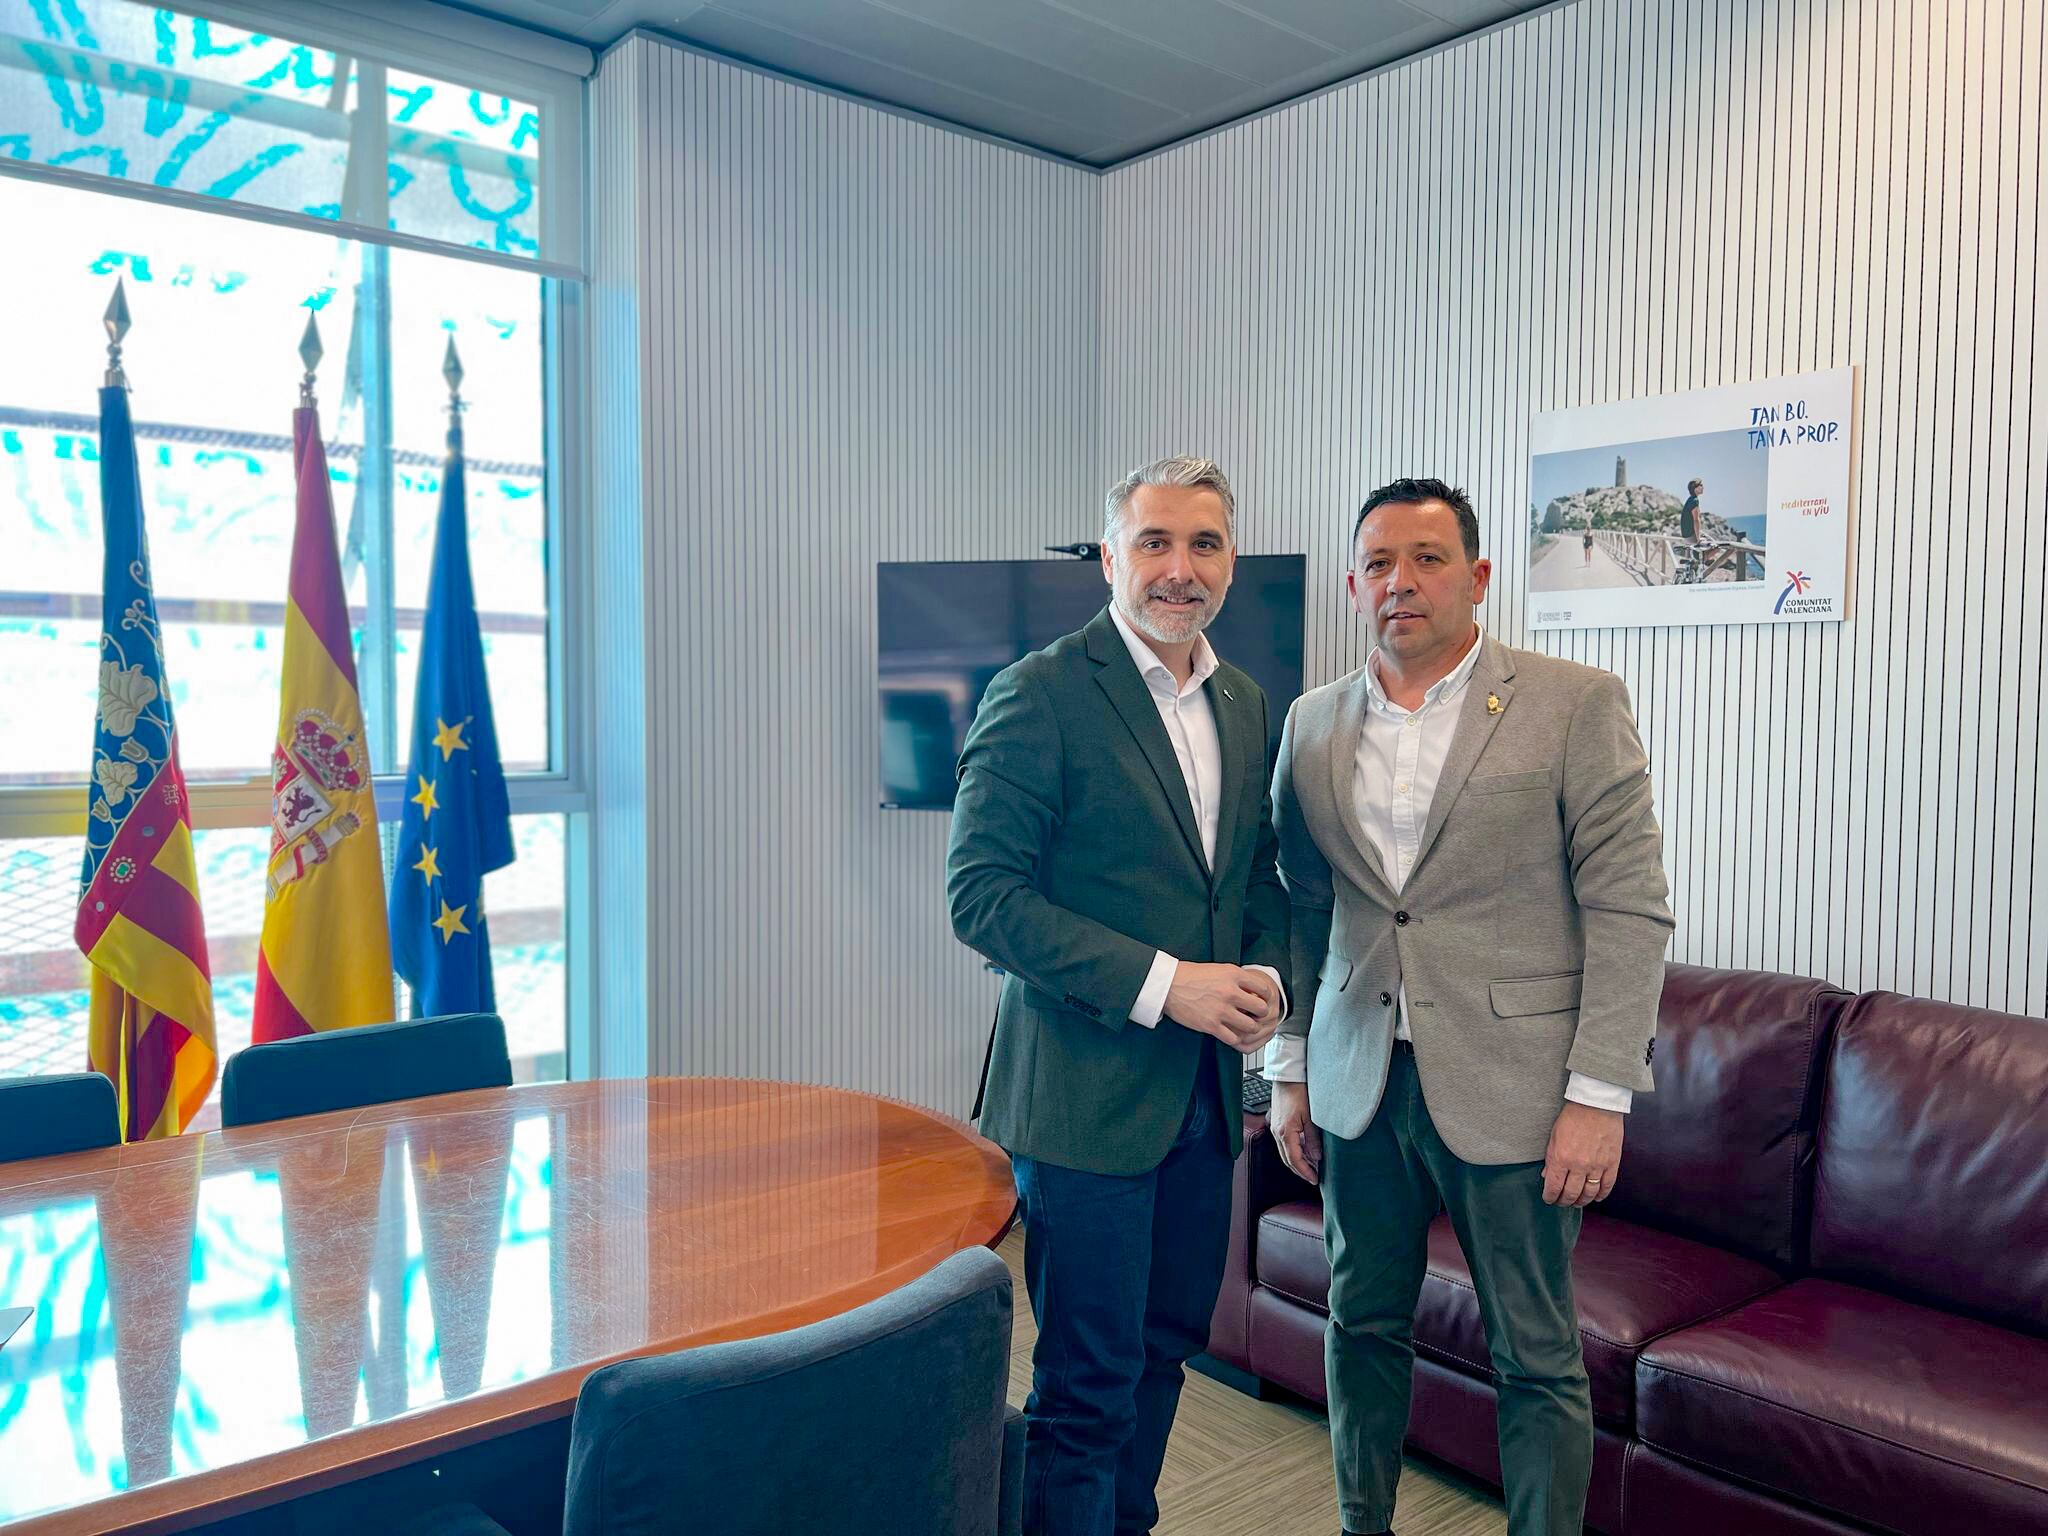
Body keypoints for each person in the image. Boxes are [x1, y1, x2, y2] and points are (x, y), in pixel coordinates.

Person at [1265, 477, 1673, 1536]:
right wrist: (1289, 1066)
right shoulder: (1310, 725)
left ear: (1477, 577)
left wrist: (1598, 1095)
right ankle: (1364, 1522)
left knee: (1532, 1354)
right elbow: (1303, 912)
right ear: (1355, 583)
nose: (1398, 583)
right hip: (1361, 1077)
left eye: (1427, 560)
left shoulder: (1572, 703)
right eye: (1378, 565)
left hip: (1520, 1088)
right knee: (1359, 1326)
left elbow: (1625, 908)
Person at [947, 455, 1291, 1536]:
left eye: (1202, 544)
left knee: (1161, 1356)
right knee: (1085, 1389)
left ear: (1229, 560)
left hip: (1198, 1108)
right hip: (1081, 1105)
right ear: (1110, 557)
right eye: (1154, 543)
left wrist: (1269, 977)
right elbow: (981, 899)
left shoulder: (1239, 700)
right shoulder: (1041, 692)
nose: (1178, 570)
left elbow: (1257, 876)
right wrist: (1164, 987)